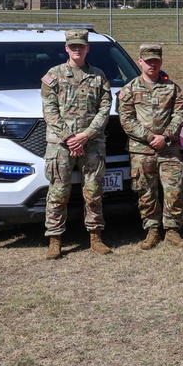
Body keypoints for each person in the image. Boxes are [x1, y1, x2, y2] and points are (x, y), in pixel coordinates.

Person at [41, 29, 113, 260]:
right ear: (66, 48)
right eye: (73, 46)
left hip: (91, 144)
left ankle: (95, 235)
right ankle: (55, 239)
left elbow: (105, 109)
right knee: (58, 191)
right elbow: (49, 111)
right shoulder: (53, 75)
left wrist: (87, 135)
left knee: (93, 191)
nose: (77, 49)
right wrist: (70, 138)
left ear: (87, 48)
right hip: (61, 145)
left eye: (81, 46)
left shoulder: (99, 76)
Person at [117, 44, 183, 249]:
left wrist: (165, 137)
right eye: (148, 61)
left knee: (174, 190)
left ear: (161, 62)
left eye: (156, 61)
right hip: (142, 150)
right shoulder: (129, 89)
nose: (152, 65)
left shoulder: (172, 88)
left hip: (169, 149)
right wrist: (150, 137)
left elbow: (179, 115)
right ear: (140, 61)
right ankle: (152, 230)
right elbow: (126, 119)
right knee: (146, 192)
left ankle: (173, 230)